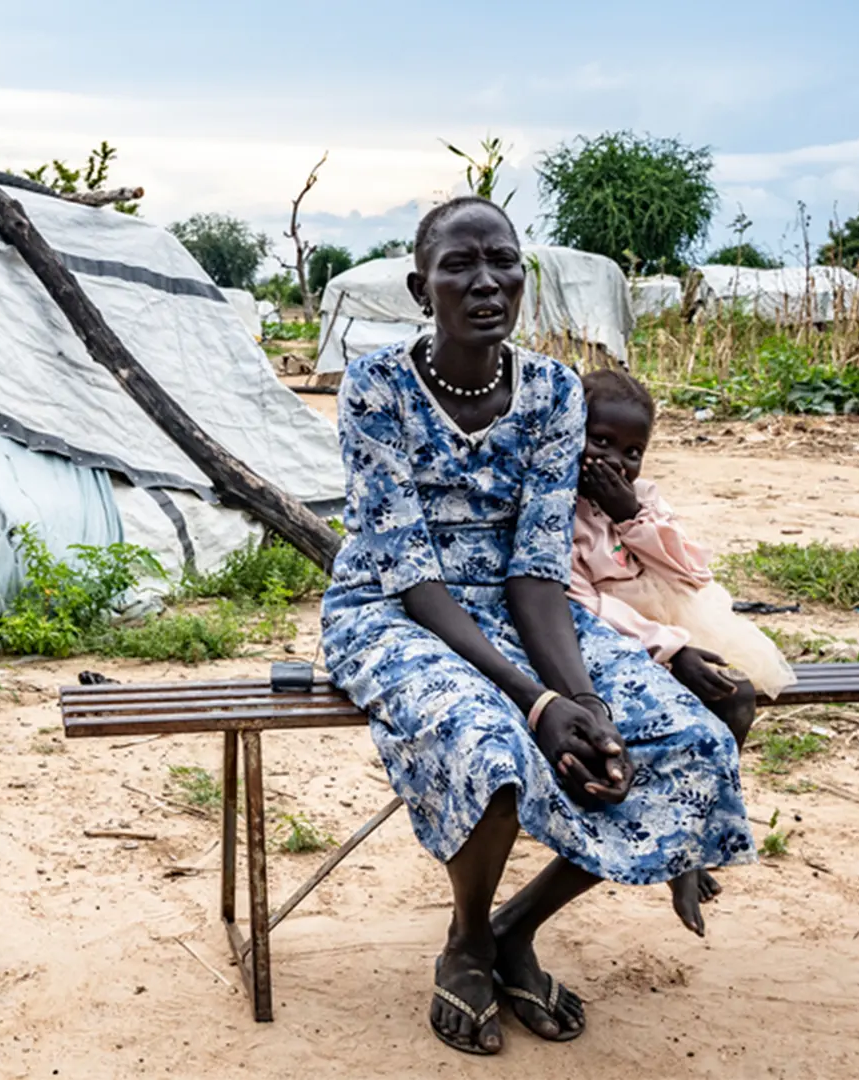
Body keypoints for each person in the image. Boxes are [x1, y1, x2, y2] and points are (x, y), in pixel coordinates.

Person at [321, 196, 754, 1056]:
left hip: (524, 609)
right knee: (491, 743)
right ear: (421, 287)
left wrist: (579, 696)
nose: (486, 282)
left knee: (687, 740)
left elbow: (536, 564)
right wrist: (534, 701)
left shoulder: (555, 391)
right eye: (458, 266)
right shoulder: (374, 389)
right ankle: (469, 940)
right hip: (394, 609)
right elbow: (411, 574)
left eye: (503, 262)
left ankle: (517, 926)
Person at [568, 367, 795, 934]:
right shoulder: (558, 513)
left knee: (737, 699)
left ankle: (688, 843)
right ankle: (669, 842)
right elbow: (581, 606)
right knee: (683, 719)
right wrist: (672, 650)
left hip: (679, 624)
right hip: (616, 644)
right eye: (600, 441)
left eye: (632, 451)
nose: (616, 460)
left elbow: (692, 570)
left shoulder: (640, 501)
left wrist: (629, 515)